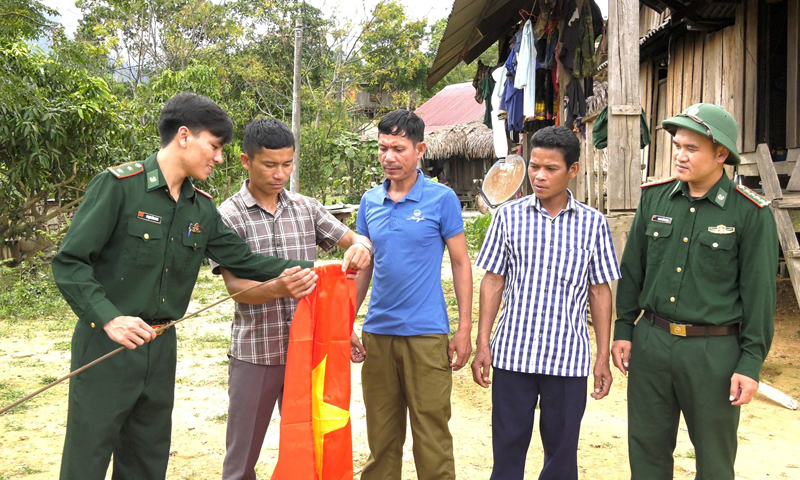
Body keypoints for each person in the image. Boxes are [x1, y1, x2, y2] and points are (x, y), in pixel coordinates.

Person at [51, 93, 313, 480]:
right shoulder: (120, 186)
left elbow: (246, 261)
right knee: (88, 455)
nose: (219, 157)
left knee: (148, 455)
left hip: (160, 344)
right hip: (108, 343)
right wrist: (109, 319)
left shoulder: (200, 207)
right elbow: (70, 262)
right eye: (215, 146)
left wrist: (312, 270)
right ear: (185, 136)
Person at [612, 103, 778, 479]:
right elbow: (632, 271)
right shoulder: (654, 198)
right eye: (677, 145)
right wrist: (624, 329)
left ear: (721, 154)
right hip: (651, 343)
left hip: (713, 353)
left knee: (715, 459)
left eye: (691, 148)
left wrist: (750, 364)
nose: (679, 155)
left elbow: (759, 298)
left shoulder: (750, 213)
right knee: (647, 451)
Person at [209, 118, 372, 480]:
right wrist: (279, 288)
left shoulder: (306, 208)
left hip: (311, 351)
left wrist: (361, 248)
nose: (280, 173)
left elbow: (356, 240)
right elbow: (236, 288)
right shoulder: (227, 216)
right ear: (245, 161)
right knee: (241, 457)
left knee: (312, 443)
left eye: (287, 163)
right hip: (258, 352)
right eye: (269, 164)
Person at [471, 125, 621, 480]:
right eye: (534, 166)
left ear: (573, 170)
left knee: (562, 455)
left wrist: (602, 355)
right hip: (512, 355)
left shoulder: (593, 224)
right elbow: (493, 280)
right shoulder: (508, 218)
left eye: (550, 168)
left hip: (567, 359)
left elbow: (600, 291)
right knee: (507, 451)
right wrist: (482, 342)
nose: (539, 176)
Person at [350, 109, 473, 480]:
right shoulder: (370, 201)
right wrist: (346, 322)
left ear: (419, 149)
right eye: (383, 148)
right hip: (378, 335)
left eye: (398, 148)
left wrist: (464, 329)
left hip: (426, 334)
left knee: (431, 438)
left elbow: (461, 263)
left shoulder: (442, 199)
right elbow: (364, 265)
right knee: (381, 439)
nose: (389, 157)